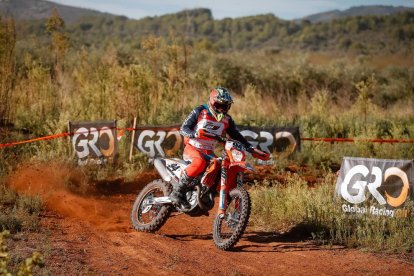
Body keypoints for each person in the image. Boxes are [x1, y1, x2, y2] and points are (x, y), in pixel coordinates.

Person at [169, 86, 255, 209]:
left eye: (224, 106)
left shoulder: (227, 119)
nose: (221, 109)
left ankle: (209, 193)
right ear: (211, 101)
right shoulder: (200, 111)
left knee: (222, 166)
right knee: (199, 163)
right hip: (193, 148)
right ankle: (177, 191)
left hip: (209, 152)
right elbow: (183, 128)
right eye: (218, 105)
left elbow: (236, 136)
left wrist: (250, 148)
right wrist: (194, 134)